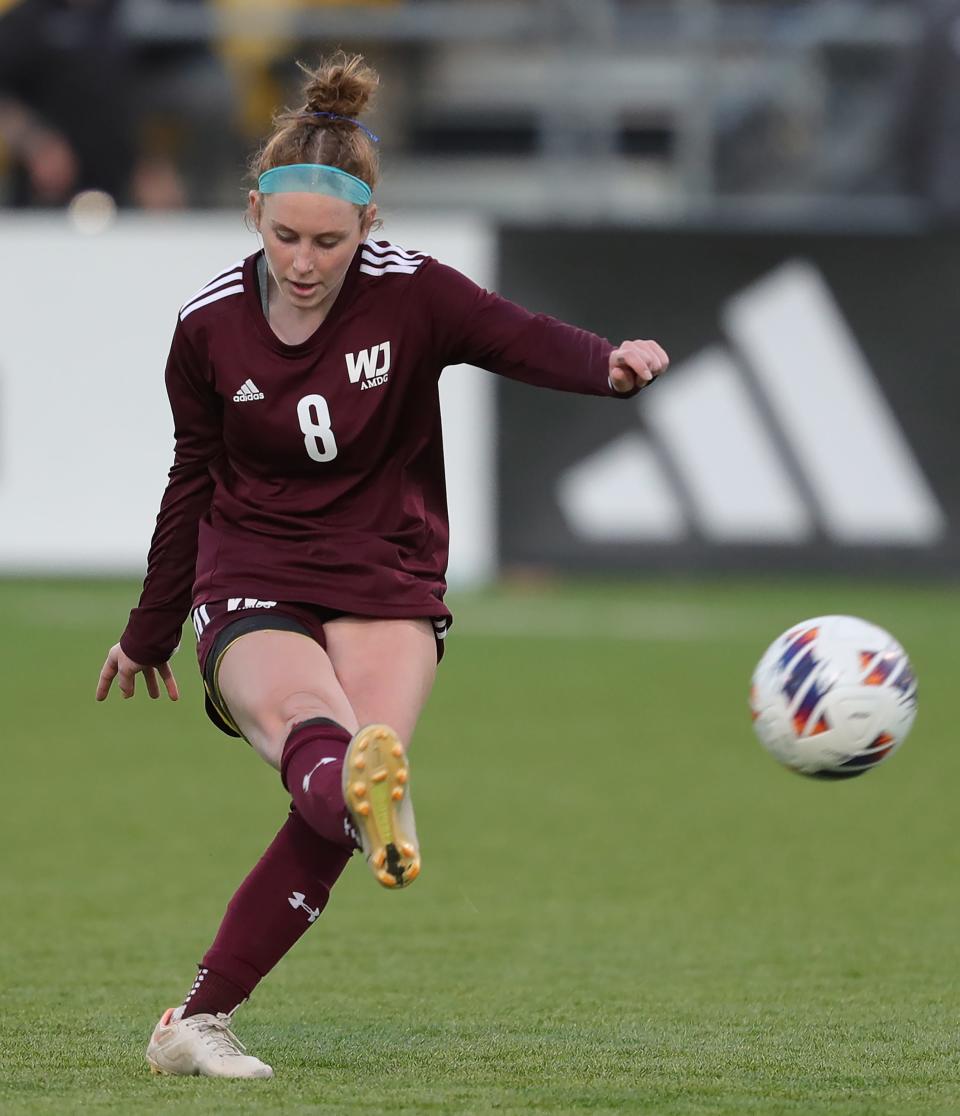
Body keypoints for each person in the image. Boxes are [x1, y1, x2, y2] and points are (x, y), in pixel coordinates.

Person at [95, 50, 669, 1080]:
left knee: (348, 794)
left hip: (386, 568)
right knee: (327, 752)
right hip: (252, 564)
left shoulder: (415, 295)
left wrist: (608, 367)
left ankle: (192, 1022)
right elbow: (191, 479)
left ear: (370, 227)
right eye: (284, 238)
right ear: (254, 216)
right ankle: (222, 990)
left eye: (328, 240)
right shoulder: (207, 329)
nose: (305, 262)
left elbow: (518, 336)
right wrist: (148, 629)